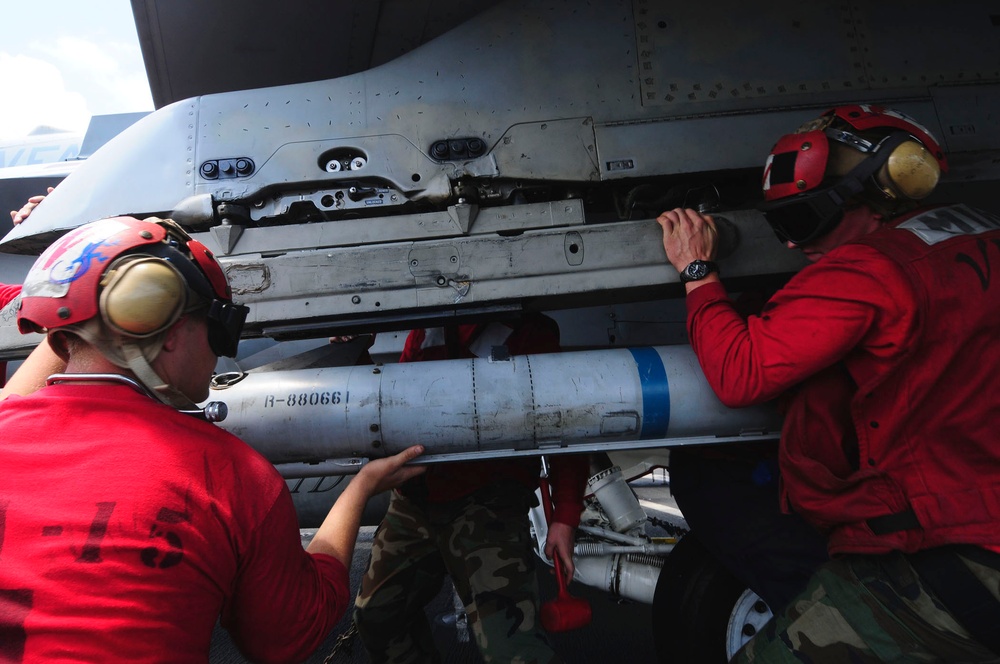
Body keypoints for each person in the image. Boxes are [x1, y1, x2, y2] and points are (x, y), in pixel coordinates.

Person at [657, 104, 1000, 661]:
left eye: (804, 219)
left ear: (866, 199)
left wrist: (698, 274)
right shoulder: (981, 234)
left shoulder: (867, 270)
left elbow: (741, 373)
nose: (794, 244)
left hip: (950, 552)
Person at [0, 215, 425, 662]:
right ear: (167, 334)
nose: (221, 351)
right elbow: (289, 636)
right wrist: (359, 489)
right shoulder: (229, 474)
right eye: (218, 327)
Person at [354, 316, 590, 664]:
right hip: (416, 502)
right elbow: (395, 402)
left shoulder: (530, 330)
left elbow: (563, 422)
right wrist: (357, 348)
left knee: (513, 649)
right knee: (376, 615)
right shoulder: (427, 326)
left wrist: (565, 516)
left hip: (487, 504)